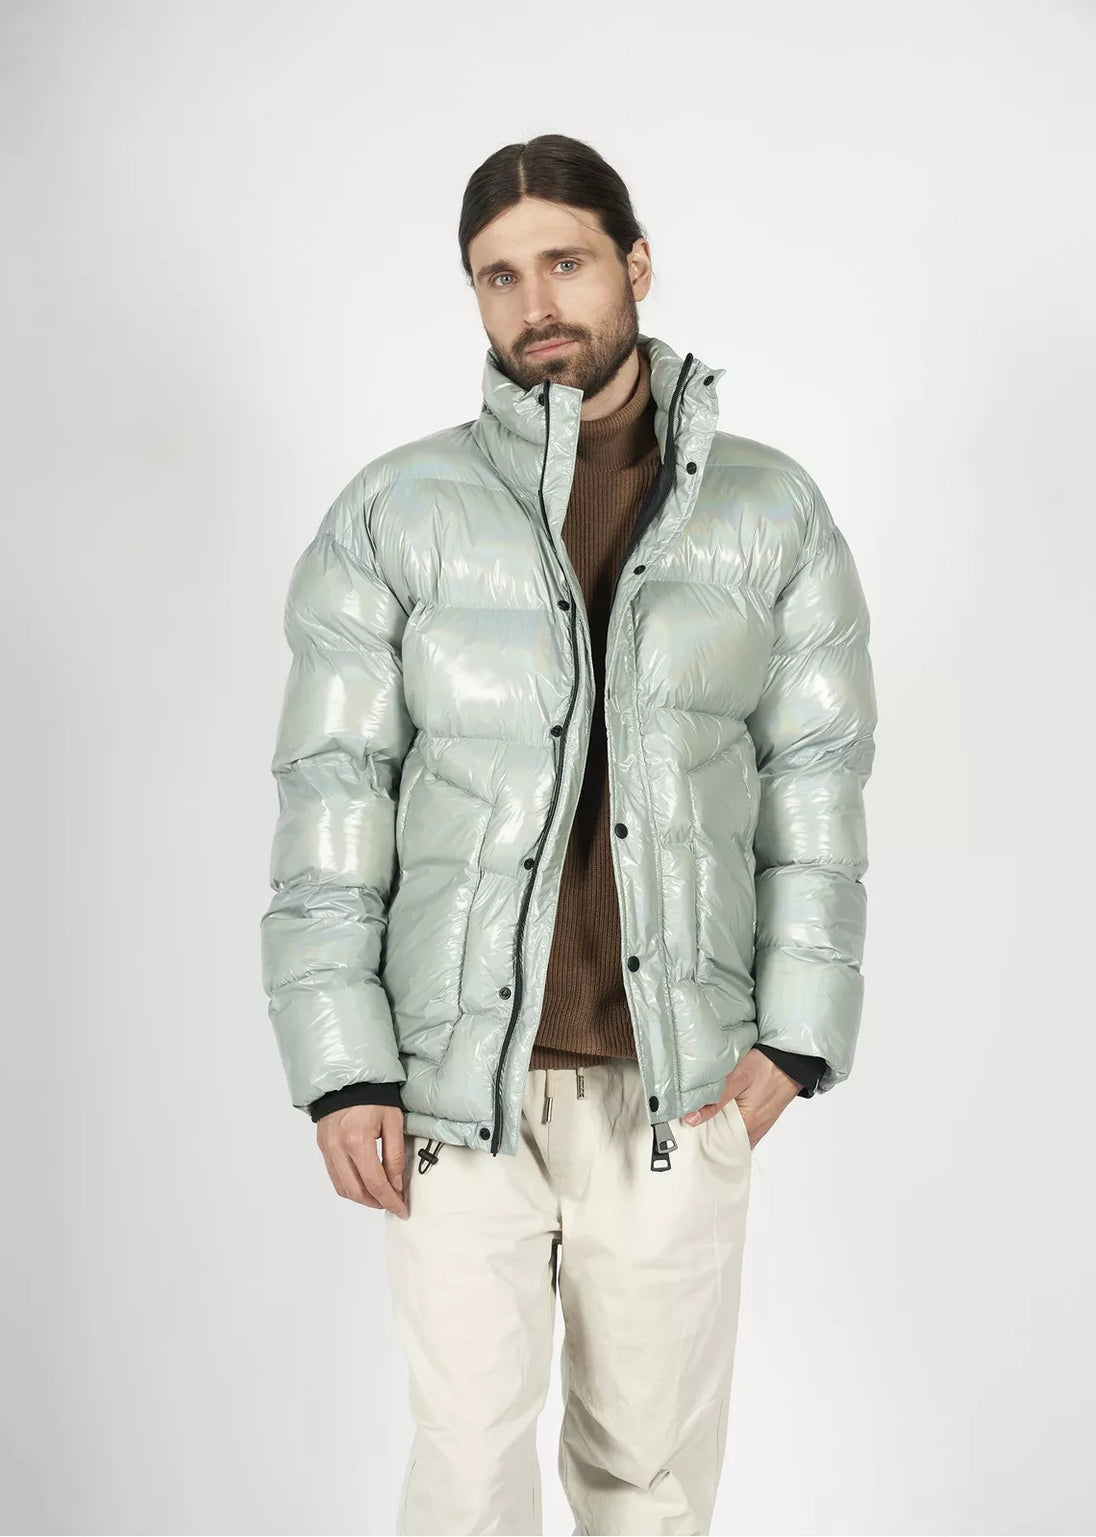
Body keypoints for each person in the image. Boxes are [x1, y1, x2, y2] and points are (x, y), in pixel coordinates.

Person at [260, 132, 877, 1536]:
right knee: (467, 1477)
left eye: (565, 261)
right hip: (454, 1089)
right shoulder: (393, 512)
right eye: (499, 276)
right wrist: (342, 1065)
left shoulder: (772, 511)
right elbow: (332, 794)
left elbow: (819, 781)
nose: (536, 303)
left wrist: (797, 1035)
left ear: (634, 264)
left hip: (680, 1083)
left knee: (647, 1488)